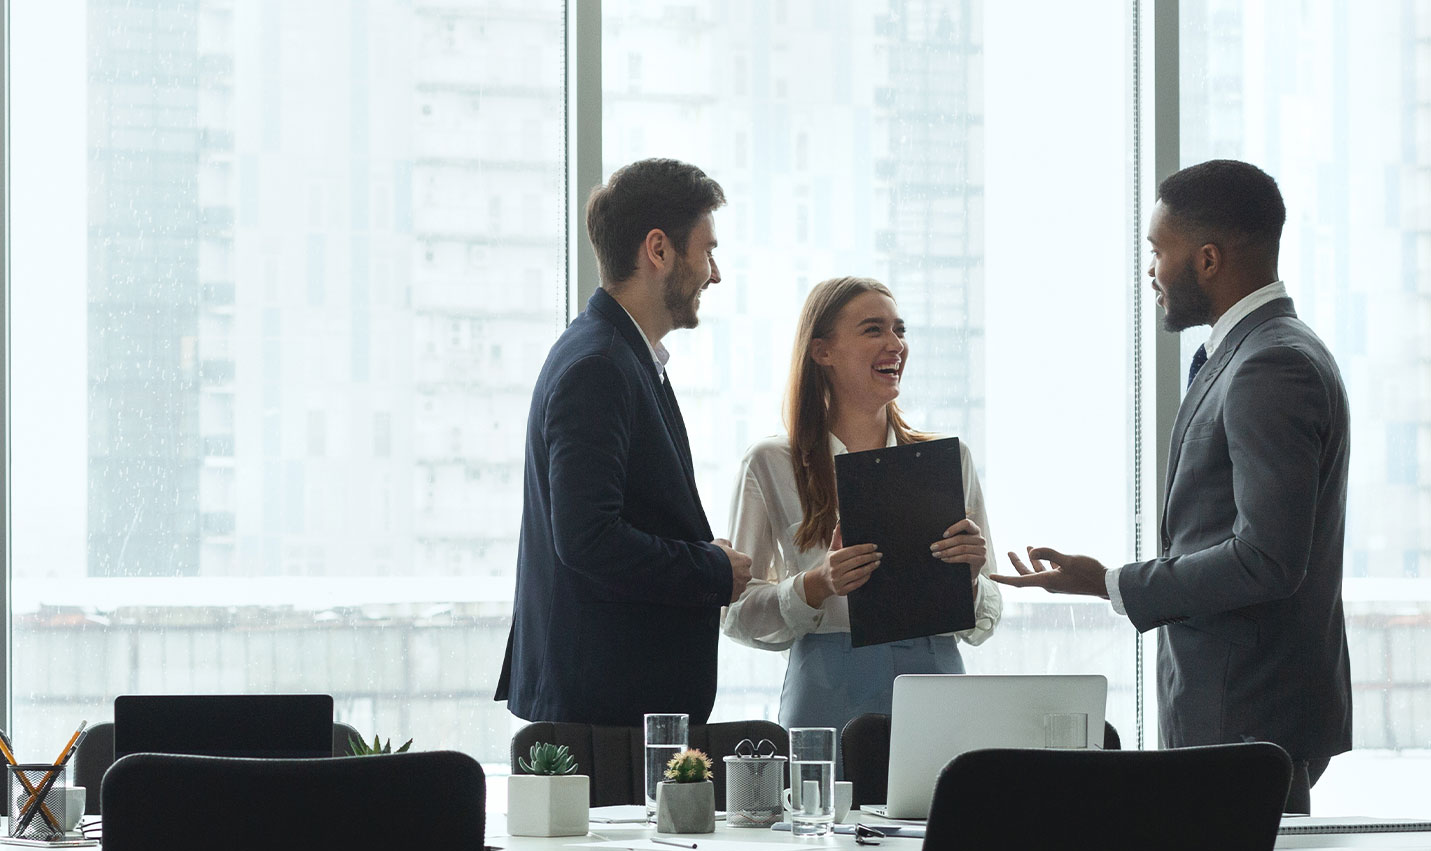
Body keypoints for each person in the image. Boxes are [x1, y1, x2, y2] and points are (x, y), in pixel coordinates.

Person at [991, 159, 1351, 815]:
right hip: (1239, 712)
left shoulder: (1268, 364)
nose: (1151, 271)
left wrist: (1113, 583)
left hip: (1245, 717)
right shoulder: (1249, 352)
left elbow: (1265, 558)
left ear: (1207, 258)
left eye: (1159, 250)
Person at [496, 158, 752, 726]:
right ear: (658, 250)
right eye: (707, 251)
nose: (714, 274)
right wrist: (711, 570)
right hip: (605, 716)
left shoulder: (613, 355)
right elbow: (589, 539)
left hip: (609, 704)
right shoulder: (601, 366)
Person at [722, 276, 1000, 733]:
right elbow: (735, 616)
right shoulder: (770, 463)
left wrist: (969, 580)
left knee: (941, 805)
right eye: (874, 329)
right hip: (827, 691)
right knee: (825, 808)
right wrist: (815, 584)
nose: (896, 344)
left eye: (900, 329)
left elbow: (986, 618)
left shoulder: (950, 460)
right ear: (822, 352)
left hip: (936, 685)